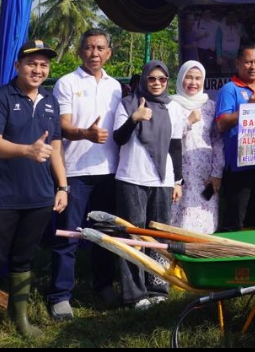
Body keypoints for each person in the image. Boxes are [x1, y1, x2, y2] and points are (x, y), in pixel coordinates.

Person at [0, 39, 68, 346]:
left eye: (43, 64)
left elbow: (54, 149)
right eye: (31, 64)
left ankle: (20, 317)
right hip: (2, 196)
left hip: (39, 196)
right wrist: (25, 150)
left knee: (24, 259)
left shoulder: (51, 102)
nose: (38, 70)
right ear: (17, 66)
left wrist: (62, 186)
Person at [49, 28, 122, 320]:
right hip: (75, 172)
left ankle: (103, 286)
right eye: (89, 48)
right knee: (69, 236)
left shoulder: (116, 86)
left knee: (104, 237)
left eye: (100, 48)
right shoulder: (66, 83)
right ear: (80, 51)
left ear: (108, 53)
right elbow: (61, 126)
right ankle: (60, 296)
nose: (95, 53)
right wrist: (85, 134)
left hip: (110, 172)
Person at [113, 61, 184, 309]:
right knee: (133, 235)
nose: (156, 83)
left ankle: (158, 285)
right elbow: (118, 138)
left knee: (159, 236)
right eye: (152, 79)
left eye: (162, 79)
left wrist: (177, 181)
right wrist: (134, 118)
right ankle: (135, 293)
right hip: (132, 178)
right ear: (144, 79)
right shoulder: (128, 104)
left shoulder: (173, 107)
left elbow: (176, 147)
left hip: (163, 180)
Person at [215, 44, 255, 231]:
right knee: (235, 221)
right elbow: (221, 123)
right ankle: (233, 258)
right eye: (247, 62)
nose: (253, 66)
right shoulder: (229, 89)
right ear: (237, 63)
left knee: (254, 219)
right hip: (237, 168)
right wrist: (247, 109)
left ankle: (249, 258)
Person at [171, 60, 223, 234]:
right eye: (189, 77)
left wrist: (217, 173)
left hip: (205, 177)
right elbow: (167, 139)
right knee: (177, 221)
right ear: (180, 79)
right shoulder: (170, 106)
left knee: (204, 220)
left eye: (198, 78)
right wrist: (188, 122)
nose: (193, 83)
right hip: (178, 175)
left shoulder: (210, 106)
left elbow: (217, 141)